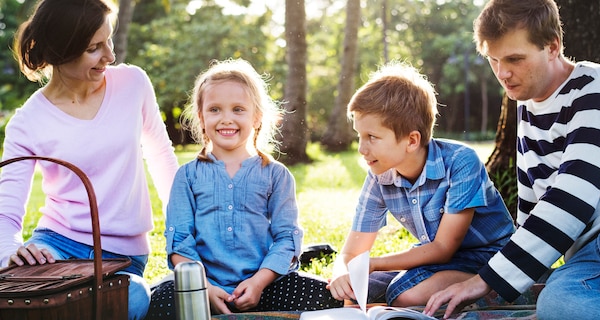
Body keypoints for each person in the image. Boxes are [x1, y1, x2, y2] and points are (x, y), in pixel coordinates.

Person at [424, 0, 600, 319]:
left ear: (552, 46)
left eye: (515, 59)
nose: (503, 73)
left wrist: (486, 279)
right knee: (557, 303)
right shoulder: (528, 108)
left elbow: (573, 198)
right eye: (493, 60)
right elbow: (531, 209)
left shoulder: (599, 86)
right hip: (590, 257)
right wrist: (493, 283)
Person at [0, 0, 179, 319]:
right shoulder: (28, 121)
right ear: (60, 52)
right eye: (94, 48)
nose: (109, 56)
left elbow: (161, 156)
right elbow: (6, 213)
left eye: (109, 40)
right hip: (55, 247)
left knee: (134, 298)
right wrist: (10, 252)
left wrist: (186, 230)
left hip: (123, 257)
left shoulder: (133, 84)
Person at [146, 59, 342, 319]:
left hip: (266, 284)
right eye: (215, 110)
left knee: (327, 297)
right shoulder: (188, 176)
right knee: (155, 303)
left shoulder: (277, 176)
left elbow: (286, 238)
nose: (226, 119)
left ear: (257, 116)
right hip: (202, 287)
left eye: (238, 109)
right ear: (202, 117)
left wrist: (259, 283)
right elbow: (179, 242)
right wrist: (205, 288)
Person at [326, 61, 515, 307]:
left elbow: (443, 248)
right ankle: (382, 308)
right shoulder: (379, 175)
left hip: (487, 258)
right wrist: (342, 273)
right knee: (352, 291)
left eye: (372, 137)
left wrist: (373, 263)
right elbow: (351, 253)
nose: (362, 149)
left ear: (412, 140)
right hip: (435, 262)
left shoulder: (460, 162)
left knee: (406, 294)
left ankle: (490, 287)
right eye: (359, 136)